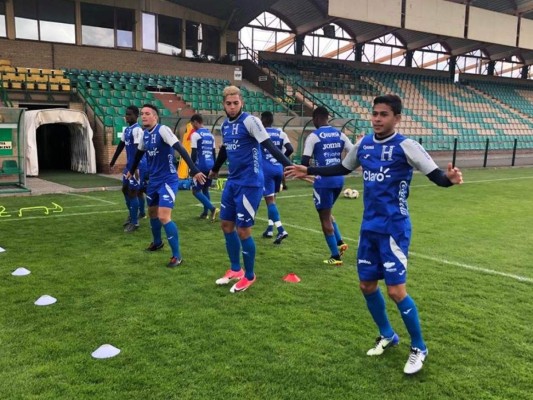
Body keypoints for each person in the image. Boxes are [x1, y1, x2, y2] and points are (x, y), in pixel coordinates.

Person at [285, 94, 463, 375]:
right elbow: (341, 168)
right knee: (366, 286)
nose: (377, 119)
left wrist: (449, 180)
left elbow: (436, 176)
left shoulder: (407, 146)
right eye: (375, 113)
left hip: (394, 229)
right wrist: (309, 168)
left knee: (395, 290)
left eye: (384, 114)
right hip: (369, 229)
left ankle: (419, 347)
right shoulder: (364, 144)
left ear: (397, 118)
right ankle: (388, 335)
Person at [209, 86, 292, 293]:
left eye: (236, 103)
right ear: (223, 105)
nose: (232, 107)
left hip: (251, 183)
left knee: (243, 229)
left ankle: (250, 275)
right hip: (233, 182)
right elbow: (225, 150)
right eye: (228, 103)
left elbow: (270, 146)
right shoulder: (225, 126)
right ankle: (236, 269)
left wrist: (288, 166)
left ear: (241, 103)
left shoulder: (251, 121)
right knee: (226, 225)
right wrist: (215, 170)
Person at [127, 104, 206, 267]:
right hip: (153, 181)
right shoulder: (145, 135)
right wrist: (132, 170)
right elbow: (139, 154)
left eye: (147, 114)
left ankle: (177, 256)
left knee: (163, 216)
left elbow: (181, 149)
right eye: (142, 114)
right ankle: (157, 242)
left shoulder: (163, 130)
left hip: (167, 180)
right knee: (152, 213)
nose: (144, 116)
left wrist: (194, 170)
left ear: (155, 117)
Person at [300, 106, 353, 265]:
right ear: (327, 118)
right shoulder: (340, 134)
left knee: (324, 217)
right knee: (328, 212)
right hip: (338, 179)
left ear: (316, 119)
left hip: (323, 182)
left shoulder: (313, 136)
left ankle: (335, 257)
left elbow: (304, 163)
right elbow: (353, 152)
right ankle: (340, 242)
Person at [109, 105, 147, 233]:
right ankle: (133, 214)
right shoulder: (127, 130)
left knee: (133, 192)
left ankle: (135, 222)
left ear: (136, 116)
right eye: (126, 114)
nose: (127, 116)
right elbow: (121, 145)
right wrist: (113, 160)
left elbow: (138, 150)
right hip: (129, 165)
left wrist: (135, 168)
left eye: (129, 114)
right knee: (125, 189)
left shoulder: (137, 130)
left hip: (137, 166)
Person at [260, 111, 294, 244]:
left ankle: (280, 230)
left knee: (269, 201)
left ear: (262, 120)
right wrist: (281, 158)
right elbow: (290, 149)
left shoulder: (261, 133)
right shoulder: (281, 133)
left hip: (266, 170)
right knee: (273, 199)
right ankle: (269, 229)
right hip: (278, 168)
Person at [189, 114, 219, 221]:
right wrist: (215, 169)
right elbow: (213, 153)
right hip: (210, 165)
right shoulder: (211, 136)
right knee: (205, 189)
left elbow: (194, 153)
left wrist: (192, 168)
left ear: (196, 122)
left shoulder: (196, 135)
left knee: (195, 191)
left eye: (192, 124)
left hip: (200, 167)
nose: (192, 126)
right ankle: (205, 213)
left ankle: (212, 208)